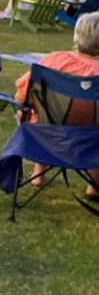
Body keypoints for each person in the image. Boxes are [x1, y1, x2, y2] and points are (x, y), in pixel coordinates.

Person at [14, 12, 99, 195]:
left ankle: (38, 172)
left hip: (49, 137)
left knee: (32, 112)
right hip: (94, 144)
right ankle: (94, 184)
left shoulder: (55, 61)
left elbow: (21, 97)